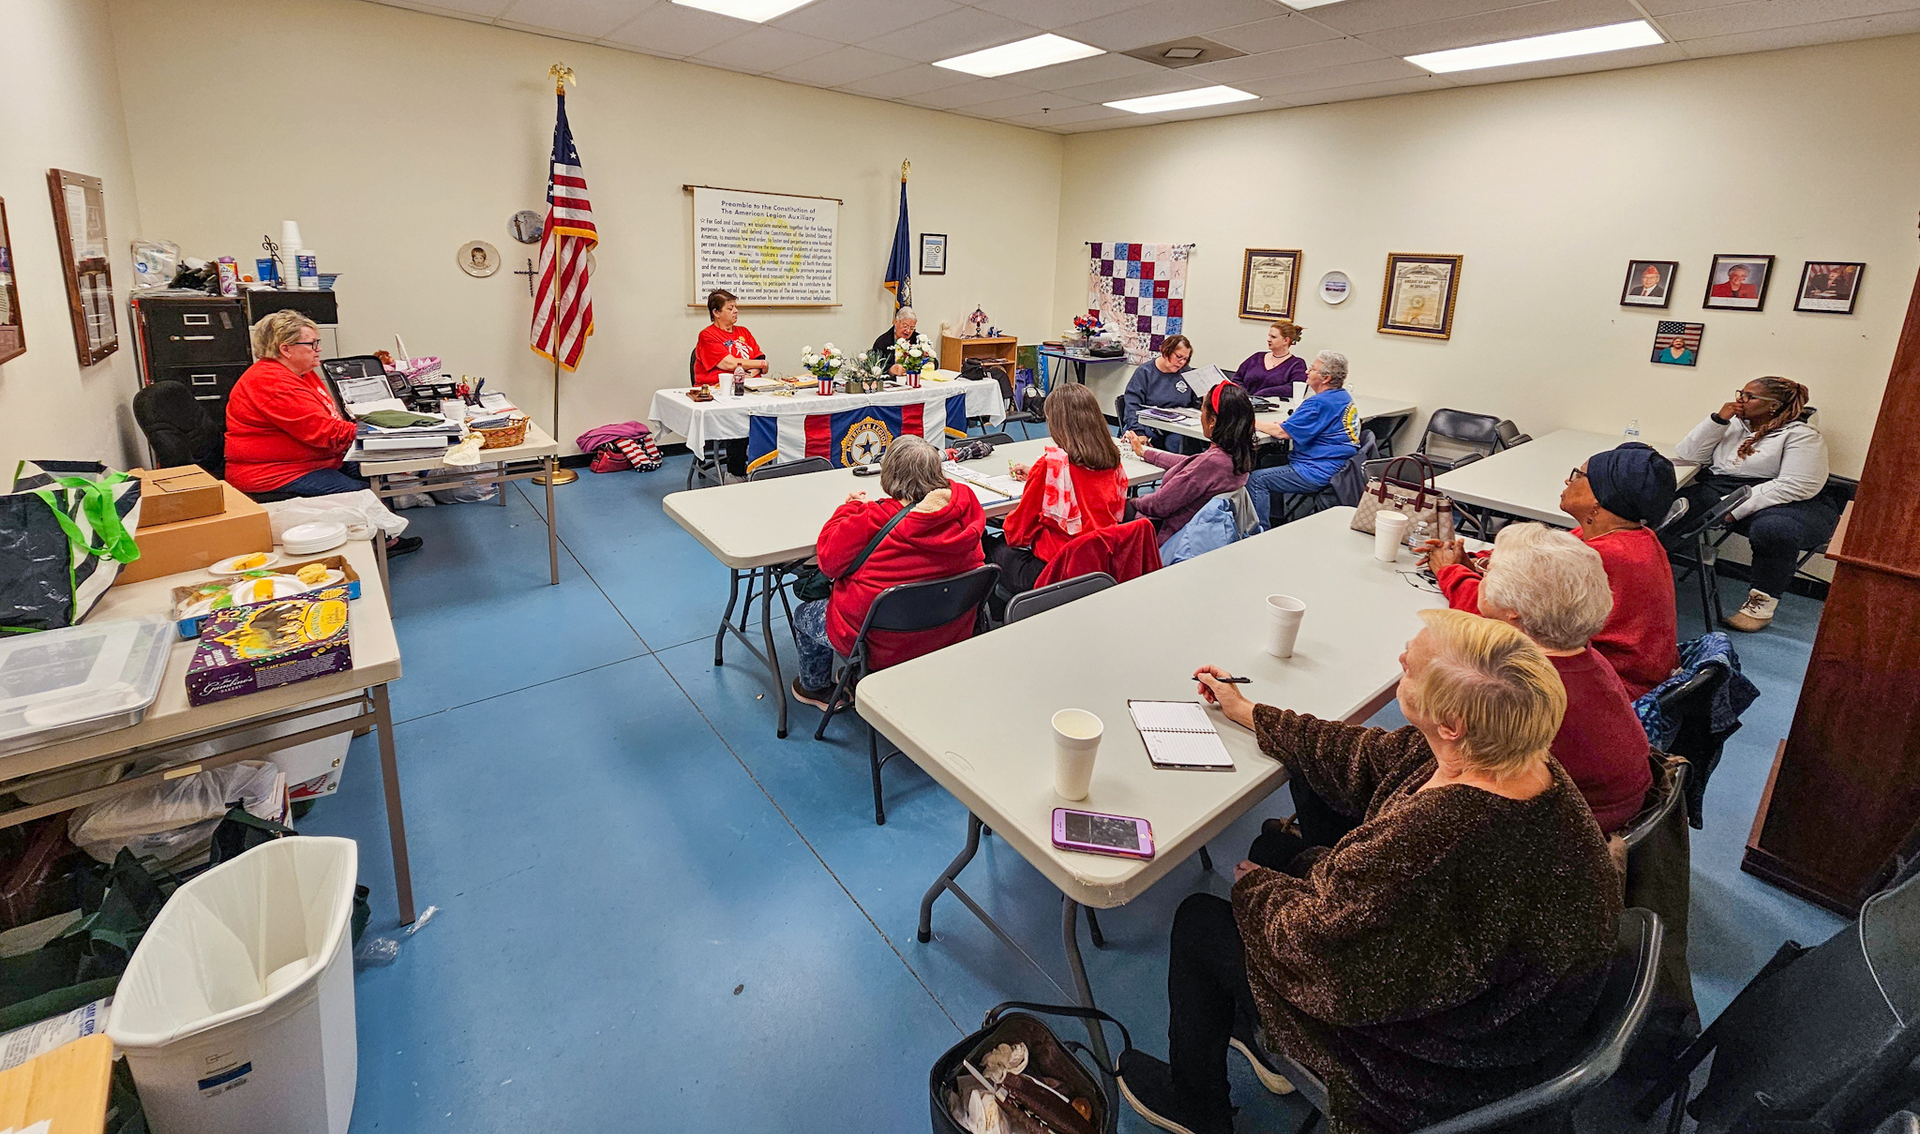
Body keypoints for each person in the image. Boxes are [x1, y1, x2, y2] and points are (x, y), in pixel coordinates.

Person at [1117, 609, 1620, 1134]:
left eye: (1414, 666)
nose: (1403, 656)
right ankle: (1254, 1031)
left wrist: (1256, 889)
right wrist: (1247, 711)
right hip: (1496, 1011)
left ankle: (1199, 1108)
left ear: (1450, 723)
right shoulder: (1511, 756)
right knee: (1278, 843)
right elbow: (1363, 755)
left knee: (1202, 921)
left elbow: (1315, 959)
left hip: (1434, 1068)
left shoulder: (1432, 846)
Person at [1426, 441, 1680, 698]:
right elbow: (1531, 561)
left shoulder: (1601, 557)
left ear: (1599, 499)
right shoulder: (1630, 535)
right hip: (1621, 674)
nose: (1568, 481)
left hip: (1602, 688)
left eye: (1579, 476)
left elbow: (1503, 617)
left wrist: (1449, 571)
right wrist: (1475, 561)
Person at [1466, 524, 1653, 832]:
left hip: (1568, 834)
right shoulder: (1583, 655)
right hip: (1620, 810)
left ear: (1512, 609)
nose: (1482, 577)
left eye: (1487, 569)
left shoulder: (1517, 692)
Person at [789, 436, 986, 710]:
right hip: (950, 630)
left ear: (888, 474)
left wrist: (849, 508)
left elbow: (828, 561)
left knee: (803, 615)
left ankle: (816, 687)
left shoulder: (872, 518)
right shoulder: (965, 508)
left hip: (880, 644)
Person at [225, 311, 424, 554]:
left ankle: (385, 539)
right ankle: (377, 546)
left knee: (368, 468)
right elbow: (326, 433)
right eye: (311, 344)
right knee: (358, 494)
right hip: (276, 472)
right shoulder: (271, 383)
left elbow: (331, 418)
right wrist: (385, 435)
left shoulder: (302, 373)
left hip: (313, 460)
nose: (318, 349)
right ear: (285, 349)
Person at [1673, 377, 1834, 632]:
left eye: (1749, 396)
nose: (1740, 400)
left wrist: (1732, 509)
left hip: (1786, 499)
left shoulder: (1801, 435)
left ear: (1773, 406)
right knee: (1670, 504)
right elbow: (1688, 456)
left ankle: (1759, 608)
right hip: (1724, 486)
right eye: (1741, 393)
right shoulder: (1733, 425)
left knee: (1775, 530)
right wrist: (1717, 421)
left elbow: (1796, 484)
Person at [984, 384, 1128, 597]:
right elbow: (1107, 506)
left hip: (1055, 570)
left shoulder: (1051, 465)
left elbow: (1018, 535)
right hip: (1099, 564)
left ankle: (998, 614)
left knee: (988, 545)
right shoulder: (1112, 460)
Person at [1123, 381, 1255, 544]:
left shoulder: (1211, 463)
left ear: (1212, 421)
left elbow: (1159, 504)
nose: (1201, 416)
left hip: (1167, 534)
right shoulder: (1235, 456)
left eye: (1202, 411)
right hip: (1201, 533)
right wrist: (1144, 452)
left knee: (1109, 507)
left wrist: (1131, 501)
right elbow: (1190, 463)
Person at [1243, 350, 1361, 529]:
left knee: (1257, 479)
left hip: (1316, 469)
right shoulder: (1341, 397)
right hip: (1339, 466)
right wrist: (1288, 424)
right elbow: (1310, 425)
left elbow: (1282, 433)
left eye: (1312, 369)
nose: (1307, 372)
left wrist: (1248, 420)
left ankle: (1259, 532)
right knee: (1266, 461)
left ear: (1326, 378)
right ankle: (1276, 519)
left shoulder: (1318, 403)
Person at [693, 289, 770, 480]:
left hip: (750, 388)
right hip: (720, 391)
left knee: (767, 416)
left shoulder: (743, 332)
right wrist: (759, 365)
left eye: (736, 307)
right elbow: (727, 363)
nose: (735, 311)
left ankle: (760, 467)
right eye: (730, 308)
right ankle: (735, 473)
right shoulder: (707, 335)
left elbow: (758, 356)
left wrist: (753, 370)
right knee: (739, 418)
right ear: (716, 312)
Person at [1119, 335, 1195, 451]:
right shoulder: (1145, 372)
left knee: (1178, 443)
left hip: (1177, 427)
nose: (1181, 363)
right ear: (1165, 352)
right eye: (1179, 357)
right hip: (1148, 425)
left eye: (1185, 359)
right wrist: (1138, 431)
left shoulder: (1186, 372)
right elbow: (1132, 405)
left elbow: (1195, 403)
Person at [1232, 320, 1307, 398]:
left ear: (1286, 340)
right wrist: (1245, 396)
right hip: (1245, 404)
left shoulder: (1297, 364)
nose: (1268, 339)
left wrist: (1263, 394)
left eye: (1273, 337)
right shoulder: (1256, 357)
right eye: (1269, 336)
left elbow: (1294, 388)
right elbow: (1236, 379)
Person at [870, 307, 918, 376]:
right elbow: (874, 365)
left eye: (912, 328)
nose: (908, 331)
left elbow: (934, 361)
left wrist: (929, 363)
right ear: (896, 322)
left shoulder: (918, 339)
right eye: (905, 326)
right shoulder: (882, 342)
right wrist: (890, 369)